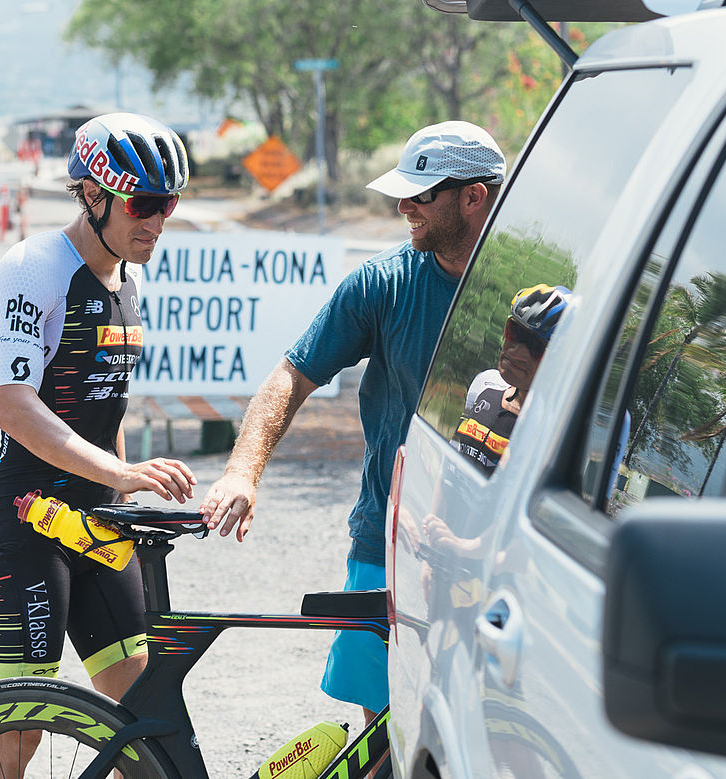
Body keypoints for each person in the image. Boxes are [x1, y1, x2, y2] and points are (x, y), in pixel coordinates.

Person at [199, 120, 506, 725]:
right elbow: (290, 376)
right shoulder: (382, 282)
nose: (402, 206)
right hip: (389, 539)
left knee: (484, 729)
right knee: (385, 731)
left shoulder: (530, 288)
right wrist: (241, 472)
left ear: (475, 196)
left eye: (422, 195)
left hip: (494, 546)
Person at [0, 112, 197, 777]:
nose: (157, 220)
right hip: (30, 520)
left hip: (99, 525)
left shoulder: (127, 281)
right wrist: (123, 472)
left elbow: (105, 410)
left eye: (169, 204)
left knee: (144, 717)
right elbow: (15, 406)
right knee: (22, 729)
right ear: (94, 194)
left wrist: (123, 490)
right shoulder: (34, 268)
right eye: (145, 203)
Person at [450, 283, 571, 474]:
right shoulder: (484, 383)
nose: (517, 351)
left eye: (535, 347)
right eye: (515, 331)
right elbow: (450, 464)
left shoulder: (549, 430)